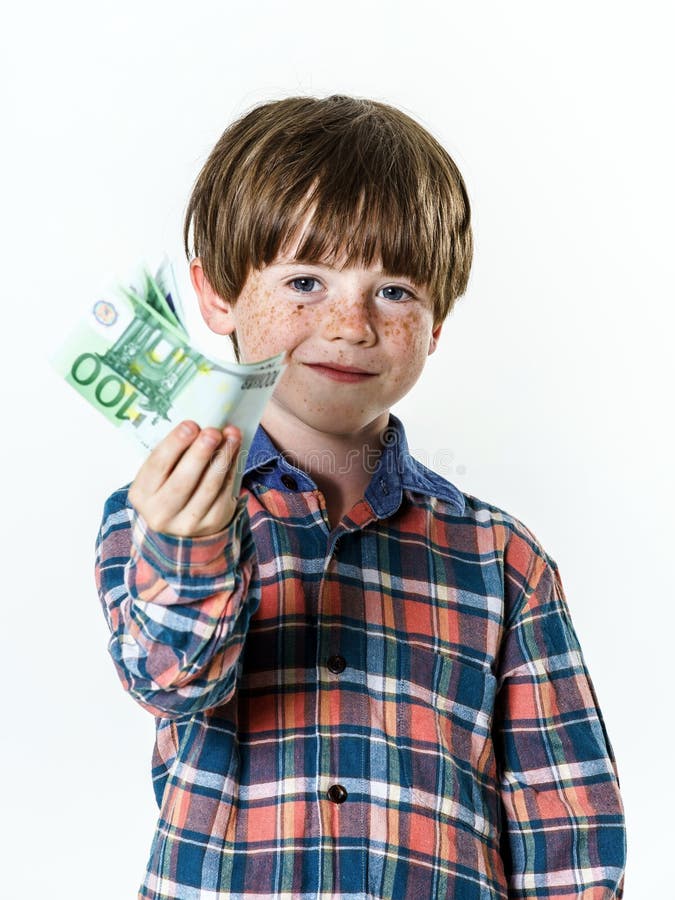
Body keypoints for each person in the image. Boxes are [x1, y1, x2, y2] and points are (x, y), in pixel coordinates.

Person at [95, 94, 627, 899]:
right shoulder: (154, 512)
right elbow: (173, 680)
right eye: (305, 280)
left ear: (437, 322)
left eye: (395, 291)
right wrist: (193, 546)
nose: (348, 324)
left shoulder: (503, 560)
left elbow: (568, 826)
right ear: (218, 295)